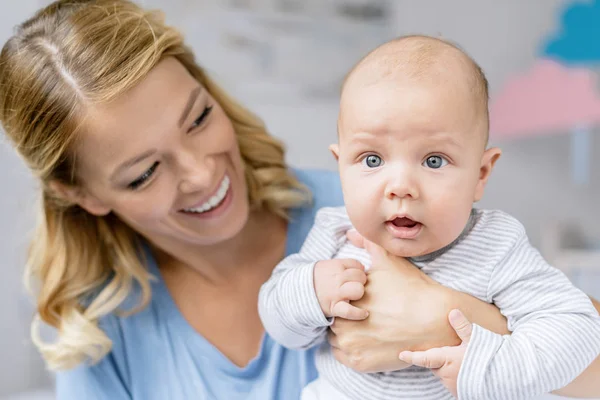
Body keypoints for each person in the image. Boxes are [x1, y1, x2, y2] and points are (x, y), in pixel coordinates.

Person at [0, 1, 597, 399]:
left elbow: (583, 348)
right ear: (80, 194)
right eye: (144, 173)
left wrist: (443, 324)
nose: (202, 174)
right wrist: (311, 294)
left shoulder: (377, 207)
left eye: (198, 118)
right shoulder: (92, 325)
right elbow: (283, 309)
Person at [258, 35, 600, 400]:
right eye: (372, 159)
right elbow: (284, 328)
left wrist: (485, 368)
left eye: (433, 160)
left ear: (481, 174)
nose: (401, 187)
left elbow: (577, 330)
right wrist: (309, 291)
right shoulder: (334, 230)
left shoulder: (496, 244)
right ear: (341, 166)